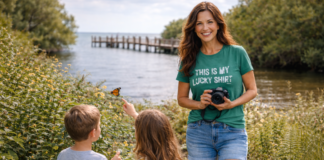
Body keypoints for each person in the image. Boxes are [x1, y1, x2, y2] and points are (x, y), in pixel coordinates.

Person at [176, 2, 257, 160]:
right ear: (194, 28)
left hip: (233, 129)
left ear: (219, 24)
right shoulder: (189, 58)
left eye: (210, 22)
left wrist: (231, 103)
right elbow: (181, 99)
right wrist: (200, 104)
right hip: (198, 131)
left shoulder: (237, 53)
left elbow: (252, 90)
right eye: (199, 23)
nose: (205, 28)